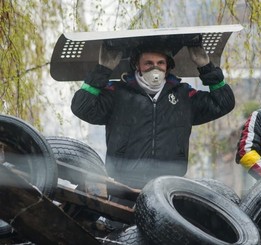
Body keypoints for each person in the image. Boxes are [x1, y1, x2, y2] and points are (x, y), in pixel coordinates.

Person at [71, 38, 235, 189]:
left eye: (160, 63)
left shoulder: (183, 95)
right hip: (123, 186)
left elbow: (224, 103)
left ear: (167, 66)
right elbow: (81, 107)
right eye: (148, 63)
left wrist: (205, 66)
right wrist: (103, 70)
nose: (155, 68)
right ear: (137, 66)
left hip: (169, 186)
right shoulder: (117, 93)